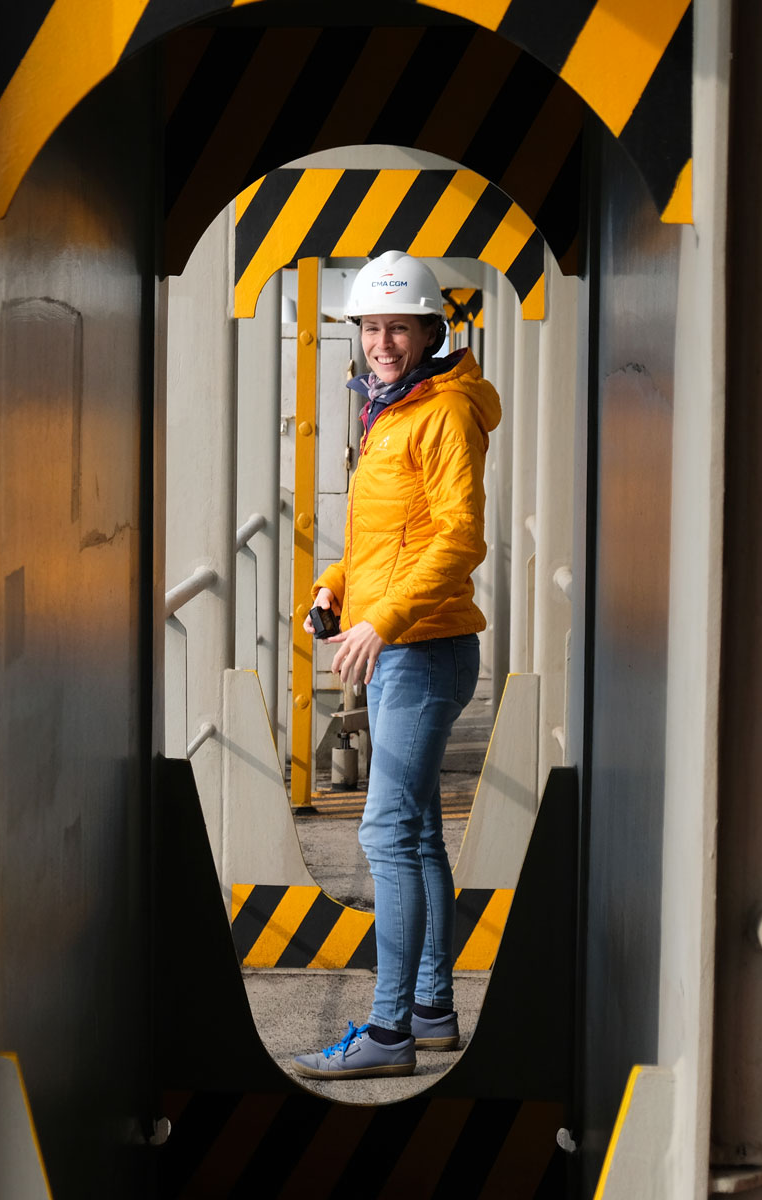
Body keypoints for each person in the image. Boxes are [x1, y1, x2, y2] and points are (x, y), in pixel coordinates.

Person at [291, 250, 502, 1080]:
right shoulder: (393, 407)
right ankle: (430, 1010)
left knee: (387, 831)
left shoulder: (443, 414)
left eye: (397, 327)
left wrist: (385, 618)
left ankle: (387, 1033)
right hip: (400, 639)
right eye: (371, 327)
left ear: (428, 331)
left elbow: (459, 538)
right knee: (414, 837)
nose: (382, 341)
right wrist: (335, 588)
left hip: (420, 647)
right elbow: (384, 540)